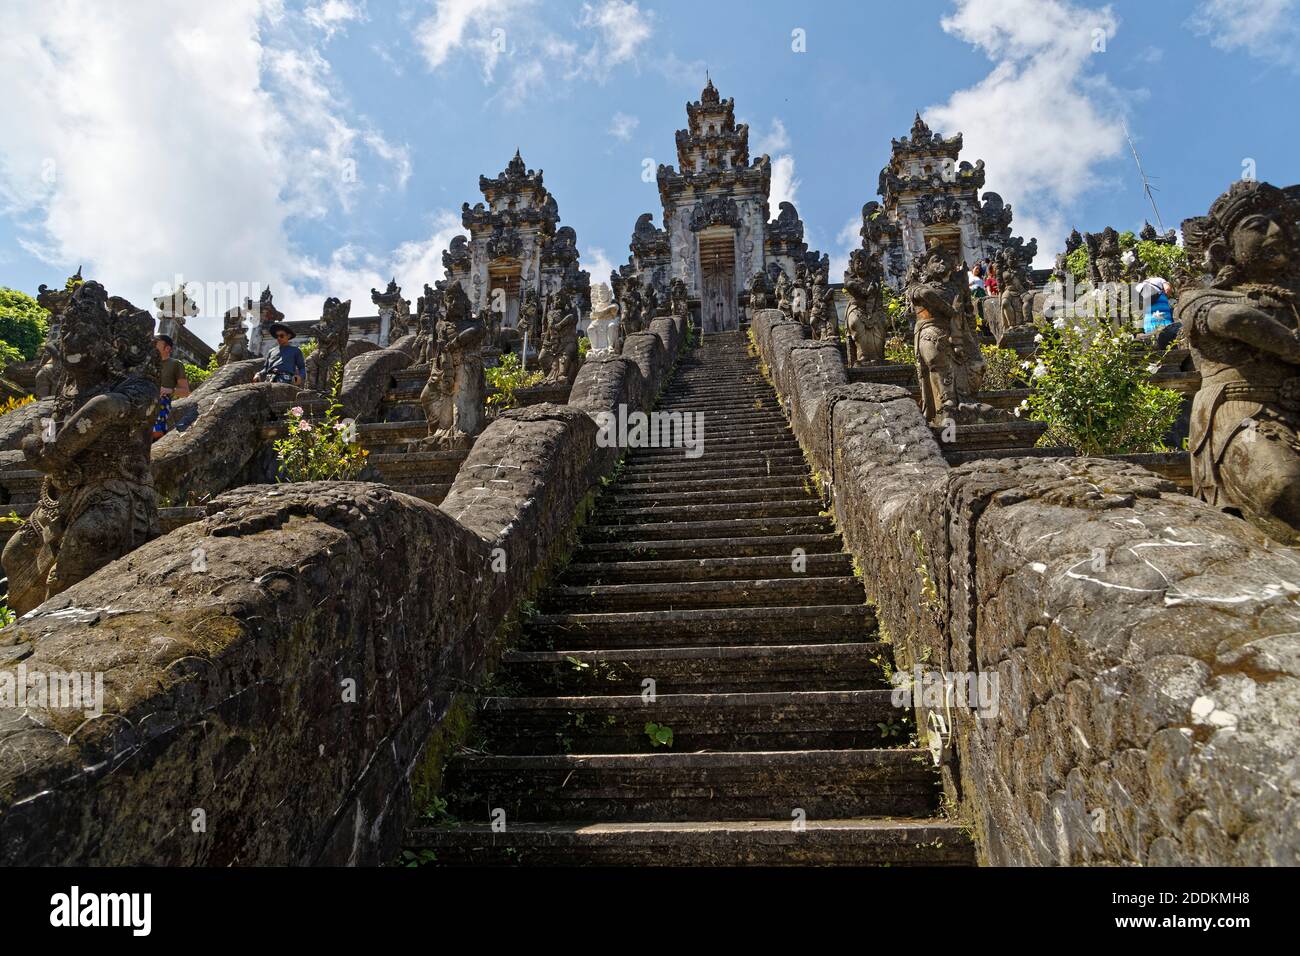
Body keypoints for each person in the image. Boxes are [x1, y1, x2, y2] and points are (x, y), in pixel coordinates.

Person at [152, 334, 190, 442]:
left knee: (156, 433)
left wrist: (166, 390)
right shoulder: (148, 363)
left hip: (161, 402)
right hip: (144, 399)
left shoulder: (175, 364)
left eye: (155, 343)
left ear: (167, 348)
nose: (152, 346)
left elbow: (186, 392)